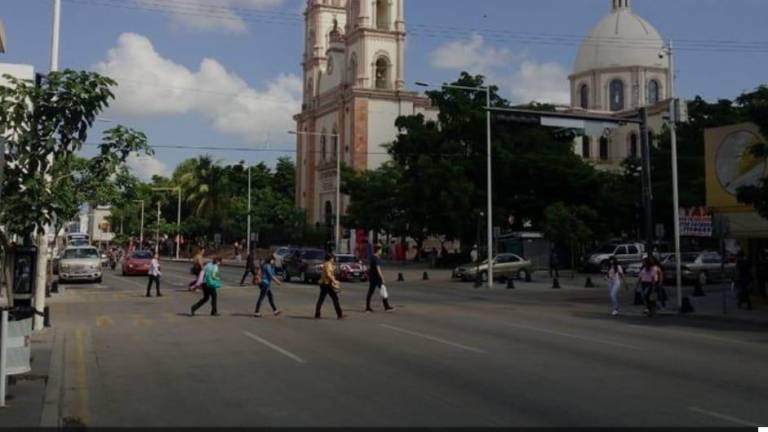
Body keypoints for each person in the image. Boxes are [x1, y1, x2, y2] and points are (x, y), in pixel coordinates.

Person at [316, 253, 345, 319]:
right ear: (330, 258)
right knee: (335, 299)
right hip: (328, 284)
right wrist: (334, 281)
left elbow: (332, 269)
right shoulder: (328, 264)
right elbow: (329, 274)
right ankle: (339, 315)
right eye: (332, 258)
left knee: (321, 299)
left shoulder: (325, 264)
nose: (333, 259)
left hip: (323, 284)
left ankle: (317, 314)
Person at [366, 245, 394, 312]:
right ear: (378, 250)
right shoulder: (376, 258)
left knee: (371, 292)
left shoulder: (372, 257)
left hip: (372, 278)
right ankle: (386, 306)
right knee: (383, 290)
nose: (381, 252)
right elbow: (378, 269)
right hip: (377, 278)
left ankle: (368, 307)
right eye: (380, 250)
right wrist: (382, 277)